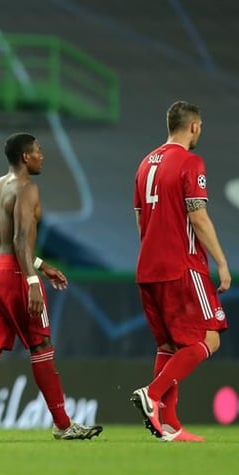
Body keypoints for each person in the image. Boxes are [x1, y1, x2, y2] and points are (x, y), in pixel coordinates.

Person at [0, 133, 103, 441]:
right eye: (38, 151)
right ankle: (63, 425)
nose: (42, 156)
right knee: (41, 348)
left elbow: (7, 243)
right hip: (15, 278)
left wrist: (43, 266)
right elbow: (19, 240)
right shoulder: (27, 188)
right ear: (25, 157)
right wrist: (33, 281)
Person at [130, 101, 229, 443]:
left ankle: (168, 425)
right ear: (194, 126)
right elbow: (198, 216)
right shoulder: (190, 162)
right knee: (209, 338)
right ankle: (153, 395)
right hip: (182, 266)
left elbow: (141, 219)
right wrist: (221, 261)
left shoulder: (145, 164)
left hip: (147, 268)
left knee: (169, 345)